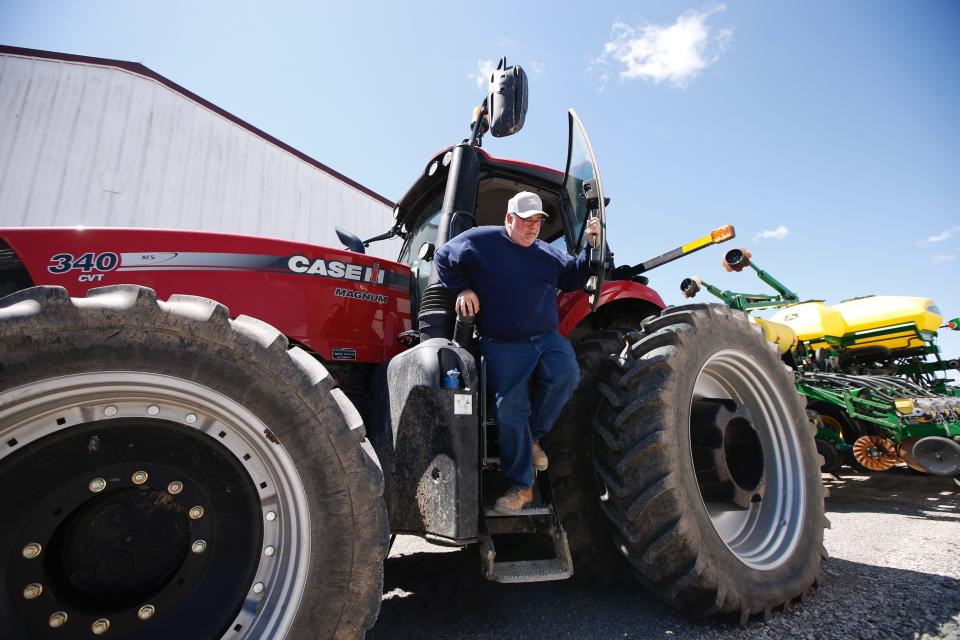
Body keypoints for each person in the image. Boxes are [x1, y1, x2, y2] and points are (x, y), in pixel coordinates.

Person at [433, 191, 601, 513]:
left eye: (538, 221)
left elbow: (574, 277)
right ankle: (521, 488)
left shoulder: (545, 253)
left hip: (545, 337)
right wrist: (463, 288)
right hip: (503, 344)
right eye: (526, 221)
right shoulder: (480, 241)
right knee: (510, 410)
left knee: (567, 373)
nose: (533, 228)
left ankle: (534, 437)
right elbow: (443, 257)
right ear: (509, 219)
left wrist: (592, 246)